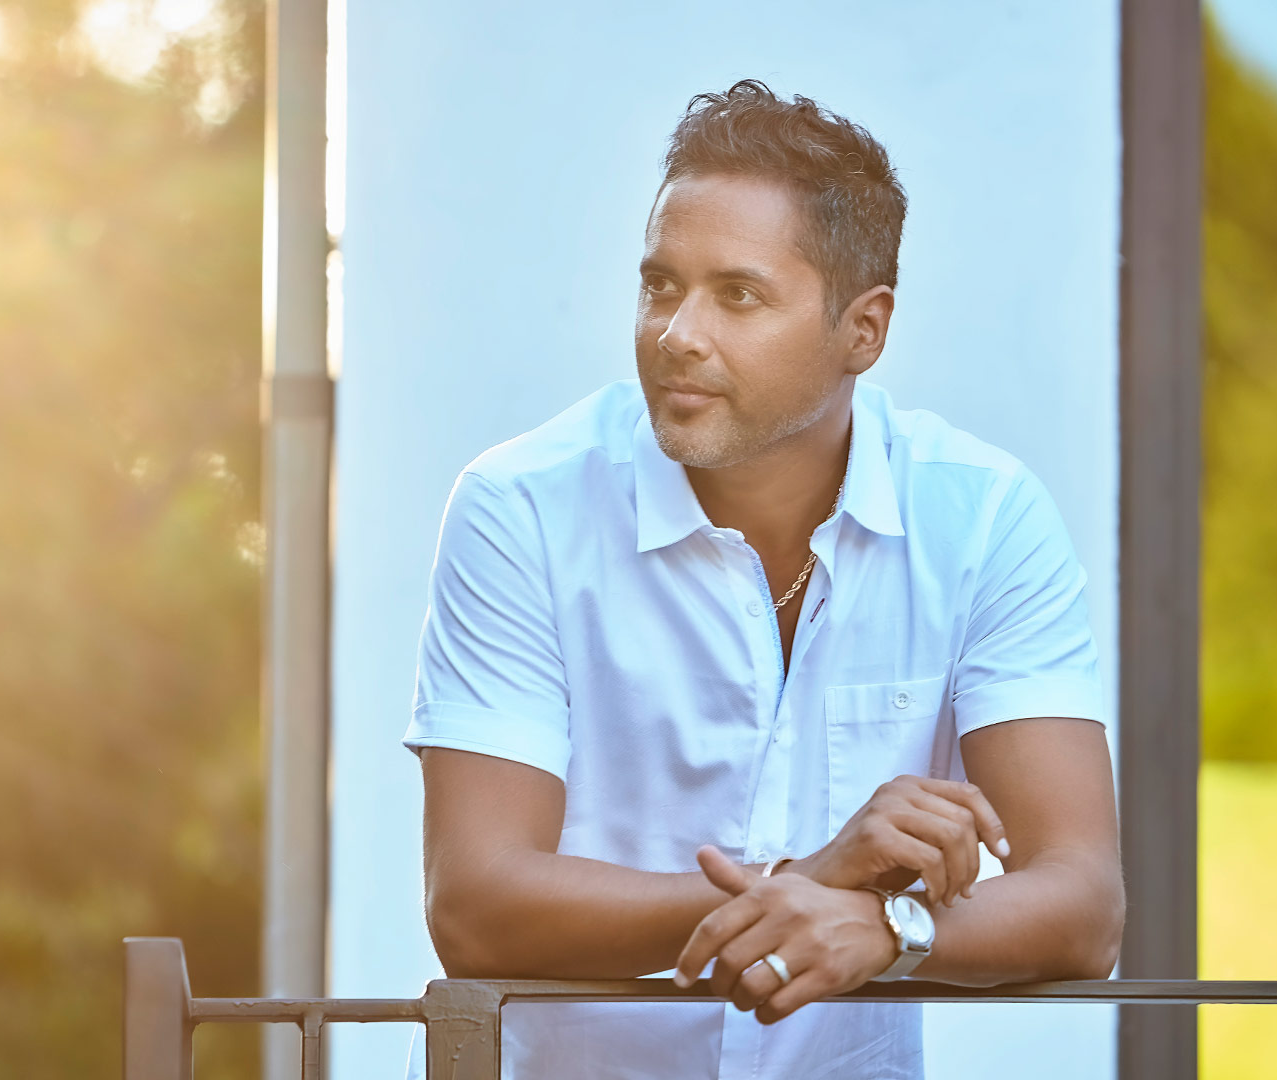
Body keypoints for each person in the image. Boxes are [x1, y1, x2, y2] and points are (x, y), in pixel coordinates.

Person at [403, 79, 1124, 1080]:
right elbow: (475, 905)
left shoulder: (984, 519)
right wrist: (810, 882)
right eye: (660, 286)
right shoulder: (520, 506)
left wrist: (890, 928)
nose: (677, 334)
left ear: (863, 331)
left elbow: (1085, 901)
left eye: (737, 295)